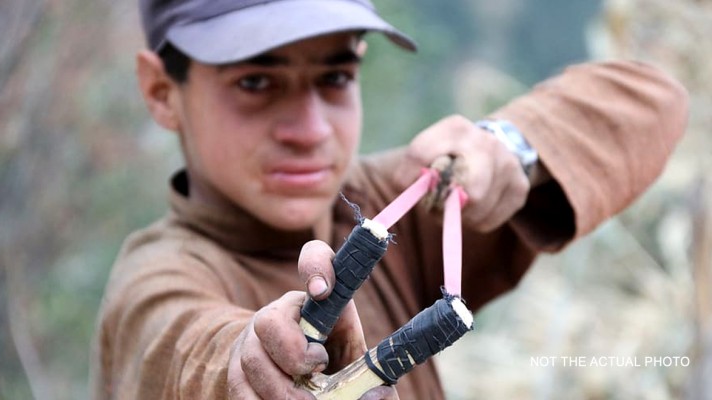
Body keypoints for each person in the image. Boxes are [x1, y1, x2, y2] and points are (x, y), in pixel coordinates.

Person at [90, 0, 689, 399]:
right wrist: (254, 362)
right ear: (162, 91)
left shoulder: (395, 204)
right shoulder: (153, 282)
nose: (311, 129)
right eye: (255, 82)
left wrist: (509, 149)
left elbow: (653, 100)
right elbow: (184, 352)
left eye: (336, 78)